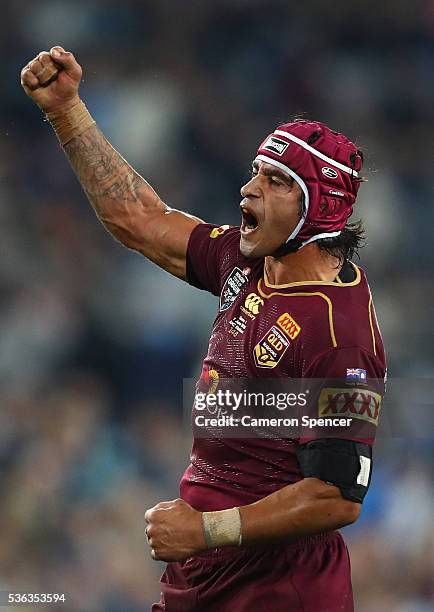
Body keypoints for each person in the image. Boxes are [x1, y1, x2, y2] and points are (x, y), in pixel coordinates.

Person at [21, 47, 386, 612]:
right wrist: (67, 109)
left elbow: (336, 496)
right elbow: (140, 219)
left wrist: (209, 530)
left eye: (276, 181)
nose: (248, 190)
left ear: (320, 208)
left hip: (277, 590)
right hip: (204, 575)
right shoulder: (249, 262)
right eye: (254, 173)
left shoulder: (339, 333)